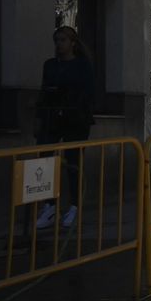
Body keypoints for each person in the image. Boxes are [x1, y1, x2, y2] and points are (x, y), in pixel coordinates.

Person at [34, 25, 95, 231]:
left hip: (75, 118)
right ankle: (49, 206)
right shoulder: (50, 65)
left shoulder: (82, 65)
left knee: (73, 162)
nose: (59, 44)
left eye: (63, 40)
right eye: (57, 40)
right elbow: (45, 90)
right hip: (52, 116)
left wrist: (73, 103)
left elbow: (86, 92)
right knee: (45, 159)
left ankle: (74, 207)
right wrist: (40, 114)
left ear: (72, 43)